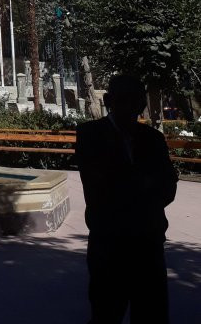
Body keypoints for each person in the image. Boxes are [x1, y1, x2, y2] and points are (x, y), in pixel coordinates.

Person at [75, 74, 178, 324]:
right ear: (109, 101)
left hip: (148, 244)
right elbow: (98, 188)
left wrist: (135, 188)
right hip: (110, 245)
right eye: (124, 100)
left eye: (136, 101)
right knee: (106, 314)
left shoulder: (153, 139)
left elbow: (168, 187)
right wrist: (144, 188)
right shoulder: (91, 134)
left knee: (152, 315)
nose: (131, 107)